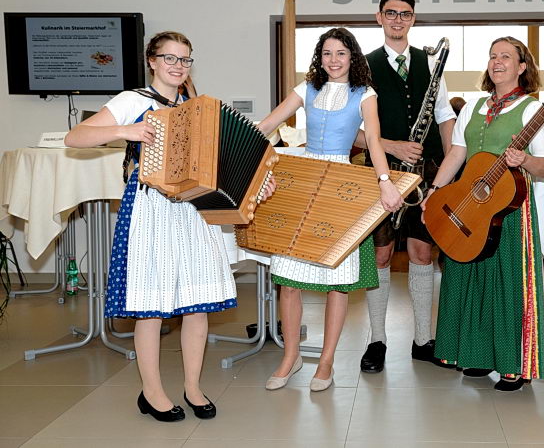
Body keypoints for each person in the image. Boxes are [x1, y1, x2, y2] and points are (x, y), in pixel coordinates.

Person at [65, 31, 274, 422]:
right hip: (151, 208)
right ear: (152, 61)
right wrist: (125, 131)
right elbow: (75, 136)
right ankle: (152, 392)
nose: (178, 66)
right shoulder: (133, 100)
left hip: (194, 211)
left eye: (185, 59)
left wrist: (258, 181)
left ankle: (193, 387)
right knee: (151, 307)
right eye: (170, 58)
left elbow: (223, 161)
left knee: (197, 305)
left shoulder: (196, 107)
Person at [257, 27, 402, 392]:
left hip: (341, 185)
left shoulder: (365, 93)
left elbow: (373, 140)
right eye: (327, 53)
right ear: (319, 58)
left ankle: (326, 362)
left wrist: (385, 181)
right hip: (306, 181)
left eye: (340, 53)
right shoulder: (306, 88)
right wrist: (233, 140)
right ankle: (290, 357)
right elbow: (269, 124)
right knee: (288, 279)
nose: (333, 60)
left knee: (338, 281)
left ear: (352, 57)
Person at [421, 36, 544, 391]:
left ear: (522, 66)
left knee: (507, 285)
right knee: (469, 280)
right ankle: (477, 355)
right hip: (468, 205)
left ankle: (513, 364)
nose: (497, 62)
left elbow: (543, 167)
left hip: (509, 211)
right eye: (493, 56)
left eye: (506, 57)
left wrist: (524, 159)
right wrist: (434, 191)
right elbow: (456, 154)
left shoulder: (533, 110)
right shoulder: (473, 106)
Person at [355, 0, 457, 374]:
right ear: (379, 17)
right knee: (380, 255)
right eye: (391, 13)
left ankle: (422, 340)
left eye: (405, 14)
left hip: (426, 172)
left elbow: (444, 117)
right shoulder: (361, 66)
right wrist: (391, 145)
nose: (398, 20)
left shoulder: (431, 63)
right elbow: (351, 130)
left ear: (413, 19)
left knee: (422, 253)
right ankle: (377, 340)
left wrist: (450, 170)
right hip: (381, 172)